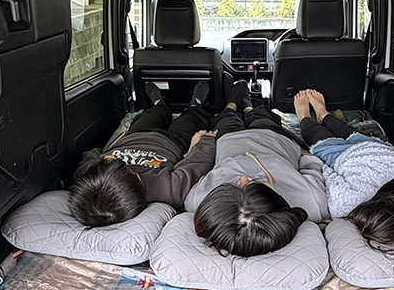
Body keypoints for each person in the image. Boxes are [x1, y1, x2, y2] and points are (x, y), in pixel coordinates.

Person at [294, 89, 394, 256]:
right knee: (345, 130)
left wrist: (320, 160)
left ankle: (304, 116)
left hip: (344, 156)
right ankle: (323, 113)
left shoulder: (347, 205)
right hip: (376, 148)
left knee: (317, 134)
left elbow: (331, 178)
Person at [184, 82, 329, 257]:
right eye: (256, 182)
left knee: (226, 117)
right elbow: (312, 163)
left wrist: (194, 149)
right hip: (273, 137)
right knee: (262, 114)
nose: (244, 178)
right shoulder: (313, 201)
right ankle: (249, 106)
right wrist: (303, 152)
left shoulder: (197, 200)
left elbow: (195, 166)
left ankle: (232, 105)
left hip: (228, 139)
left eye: (235, 185)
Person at [68, 82, 217, 227]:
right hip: (171, 142)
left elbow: (91, 154)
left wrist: (106, 152)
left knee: (153, 114)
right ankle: (195, 105)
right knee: (190, 118)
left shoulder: (86, 176)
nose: (109, 157)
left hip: (135, 136)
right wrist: (204, 141)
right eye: (120, 162)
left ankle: (160, 104)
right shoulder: (168, 190)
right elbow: (196, 164)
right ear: (138, 177)